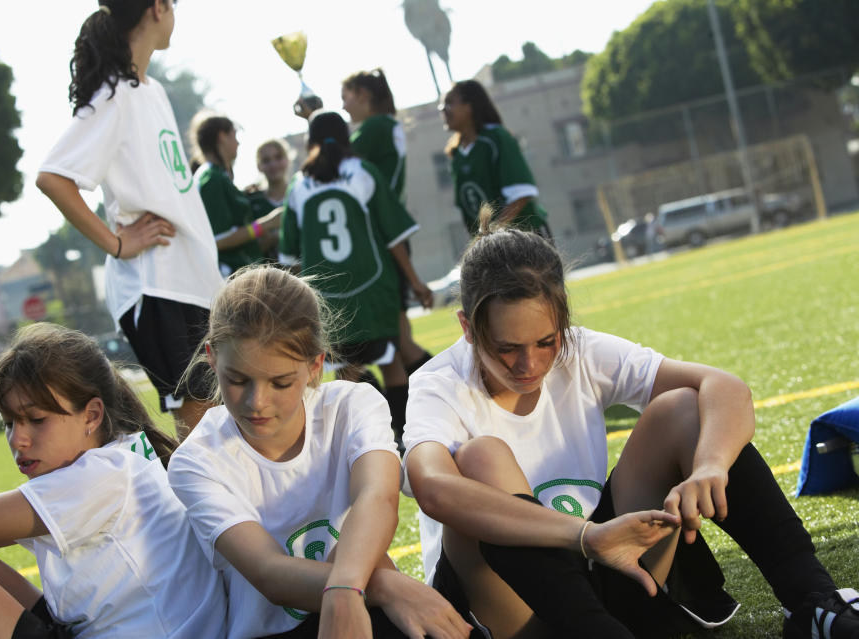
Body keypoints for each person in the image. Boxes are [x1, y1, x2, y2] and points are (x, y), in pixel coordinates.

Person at [403, 215, 859, 639]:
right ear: (467, 327)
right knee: (483, 456)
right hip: (508, 609)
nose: (530, 363)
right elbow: (434, 488)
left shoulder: (578, 351)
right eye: (507, 348)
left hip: (604, 571)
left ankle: (812, 601)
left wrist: (709, 467)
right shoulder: (439, 384)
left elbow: (726, 388)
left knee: (684, 409)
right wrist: (585, 536)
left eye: (546, 341)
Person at [167, 266, 470, 639]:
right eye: (237, 379)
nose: (256, 402)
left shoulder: (351, 405)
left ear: (315, 366)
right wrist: (375, 587)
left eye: (280, 382)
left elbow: (377, 497)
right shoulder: (196, 460)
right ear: (212, 358)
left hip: (360, 598)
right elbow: (268, 572)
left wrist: (349, 587)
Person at [0, 323, 227, 639]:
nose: (18, 440)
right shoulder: (124, 453)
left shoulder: (99, 477)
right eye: (9, 423)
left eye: (36, 420)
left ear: (92, 415)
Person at [35, 0, 222, 438]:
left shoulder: (149, 91)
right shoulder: (114, 95)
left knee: (220, 419)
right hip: (155, 285)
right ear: (157, 8)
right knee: (200, 427)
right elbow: (53, 177)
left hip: (191, 280)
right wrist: (118, 244)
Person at [278, 110, 433, 447]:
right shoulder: (363, 172)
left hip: (328, 299)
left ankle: (371, 441)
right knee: (392, 362)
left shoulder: (299, 185)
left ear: (310, 142)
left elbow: (289, 257)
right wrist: (416, 282)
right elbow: (393, 237)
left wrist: (292, 307)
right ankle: (408, 437)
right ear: (347, 137)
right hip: (373, 288)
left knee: (347, 374)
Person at [342, 68, 433, 376]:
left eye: (346, 97)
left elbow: (336, 159)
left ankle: (448, 397)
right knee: (397, 342)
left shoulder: (376, 126)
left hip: (382, 239)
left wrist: (316, 120)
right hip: (388, 235)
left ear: (363, 95)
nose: (343, 106)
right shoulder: (383, 126)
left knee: (387, 346)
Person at [440, 80, 552, 239]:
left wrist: (491, 234)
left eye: (449, 103)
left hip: (527, 238)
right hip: (493, 246)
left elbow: (521, 195)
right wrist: (479, 244)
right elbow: (468, 212)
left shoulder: (496, 138)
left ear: (469, 106)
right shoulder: (456, 154)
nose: (443, 109)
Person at [190, 112, 282, 277]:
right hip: (231, 278)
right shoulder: (212, 178)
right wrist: (266, 224)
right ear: (222, 136)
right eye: (234, 135)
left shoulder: (215, 175)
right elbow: (218, 240)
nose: (238, 143)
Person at [245, 138, 294, 261]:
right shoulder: (251, 201)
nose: (273, 164)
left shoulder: (299, 194)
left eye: (278, 157)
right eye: (266, 160)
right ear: (259, 166)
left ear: (288, 159)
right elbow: (248, 249)